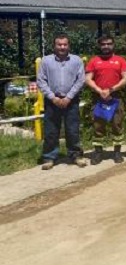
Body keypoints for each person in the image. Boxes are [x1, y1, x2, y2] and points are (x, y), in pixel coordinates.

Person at [37, 34, 86, 170]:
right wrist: (53, 97)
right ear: (54, 46)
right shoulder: (46, 61)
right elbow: (41, 80)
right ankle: (49, 157)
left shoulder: (77, 60)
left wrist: (68, 97)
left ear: (68, 45)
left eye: (65, 44)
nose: (62, 47)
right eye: (59, 44)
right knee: (51, 130)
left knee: (73, 130)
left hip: (71, 100)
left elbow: (80, 80)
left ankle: (76, 155)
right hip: (52, 100)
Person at [85, 35, 126, 165]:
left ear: (113, 45)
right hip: (99, 98)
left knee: (117, 125)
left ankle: (117, 152)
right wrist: (100, 91)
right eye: (103, 44)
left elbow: (125, 79)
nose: (106, 46)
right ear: (100, 46)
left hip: (115, 97)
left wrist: (111, 89)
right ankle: (98, 153)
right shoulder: (94, 61)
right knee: (98, 125)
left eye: (109, 44)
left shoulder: (120, 60)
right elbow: (87, 79)